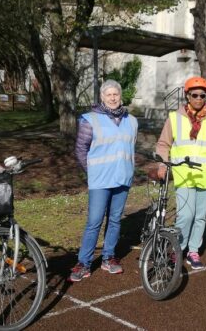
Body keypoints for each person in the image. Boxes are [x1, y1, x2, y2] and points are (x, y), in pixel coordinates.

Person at [155, 76, 206, 270]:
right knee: (186, 215)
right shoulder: (174, 118)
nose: (198, 98)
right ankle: (178, 249)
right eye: (194, 94)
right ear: (187, 96)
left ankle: (193, 250)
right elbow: (163, 144)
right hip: (184, 175)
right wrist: (162, 164)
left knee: (200, 216)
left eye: (203, 95)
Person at [70, 79, 138, 282]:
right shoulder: (90, 120)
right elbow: (80, 149)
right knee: (94, 221)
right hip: (100, 180)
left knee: (115, 219)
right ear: (102, 97)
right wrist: (91, 171)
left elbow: (129, 147)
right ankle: (84, 262)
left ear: (120, 96)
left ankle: (109, 257)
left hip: (122, 178)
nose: (112, 97)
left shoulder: (132, 121)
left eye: (115, 94)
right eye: (108, 94)